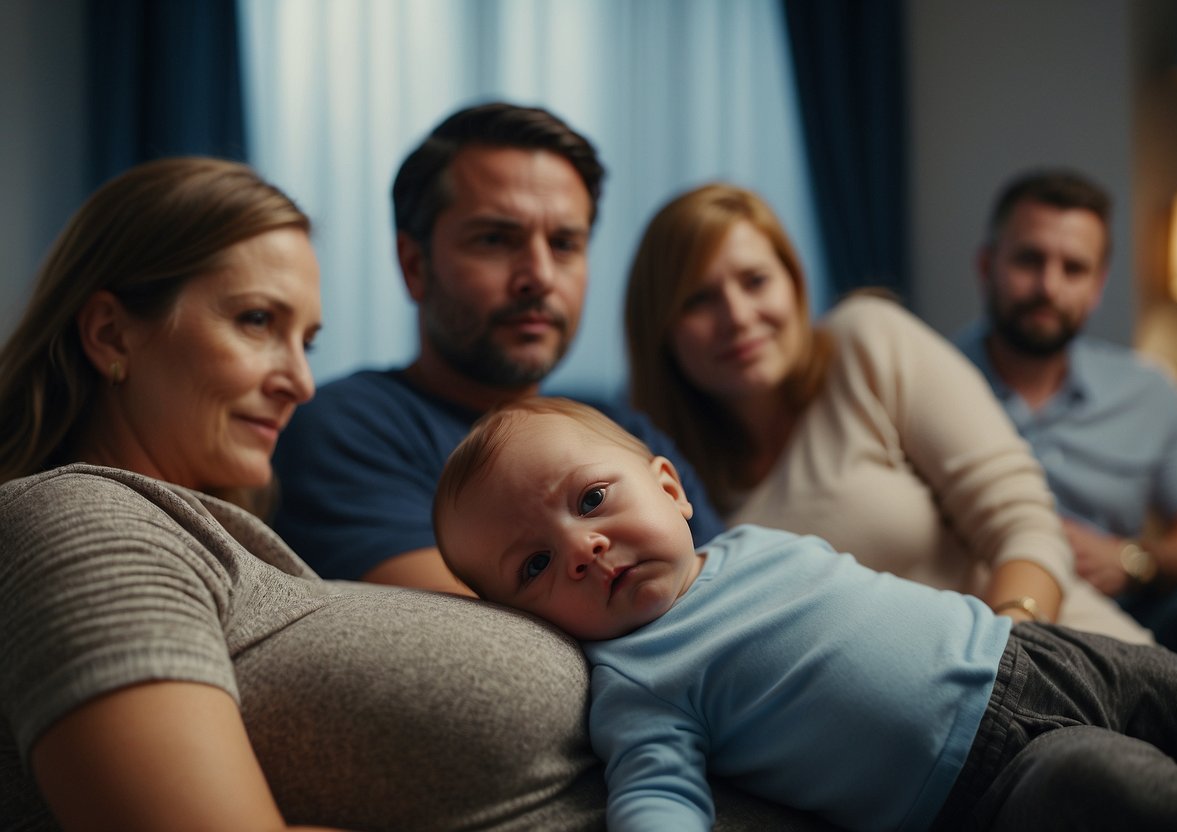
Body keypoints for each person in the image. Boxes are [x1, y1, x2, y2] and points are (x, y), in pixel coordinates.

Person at [0, 157, 812, 832]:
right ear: (111, 334)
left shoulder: (232, 552)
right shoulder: (76, 517)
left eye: (307, 340)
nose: (301, 382)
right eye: (255, 321)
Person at [433, 396, 1177, 832]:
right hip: (985, 785)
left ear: (669, 489)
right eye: (534, 565)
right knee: (1126, 796)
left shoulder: (750, 543)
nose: (581, 547)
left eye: (592, 498)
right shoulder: (636, 681)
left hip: (1033, 650)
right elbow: (655, 790)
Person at [623, 182, 1149, 643]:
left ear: (793, 282)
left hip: (1071, 657)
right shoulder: (671, 490)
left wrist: (1008, 667)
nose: (737, 317)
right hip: (935, 744)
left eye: (756, 281)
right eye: (698, 299)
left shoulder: (867, 341)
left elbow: (1027, 526)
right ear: (659, 328)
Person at [271, 102, 722, 594]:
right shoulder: (345, 427)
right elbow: (497, 651)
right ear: (415, 266)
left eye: (565, 243)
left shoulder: (623, 432)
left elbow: (725, 592)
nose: (540, 277)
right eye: (495, 239)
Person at [952, 170, 1177, 669]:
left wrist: (1135, 560)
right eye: (1029, 260)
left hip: (1126, 613)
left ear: (1097, 286)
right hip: (984, 616)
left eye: (1074, 268)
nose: (1048, 286)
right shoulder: (931, 382)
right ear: (987, 265)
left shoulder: (1149, 390)